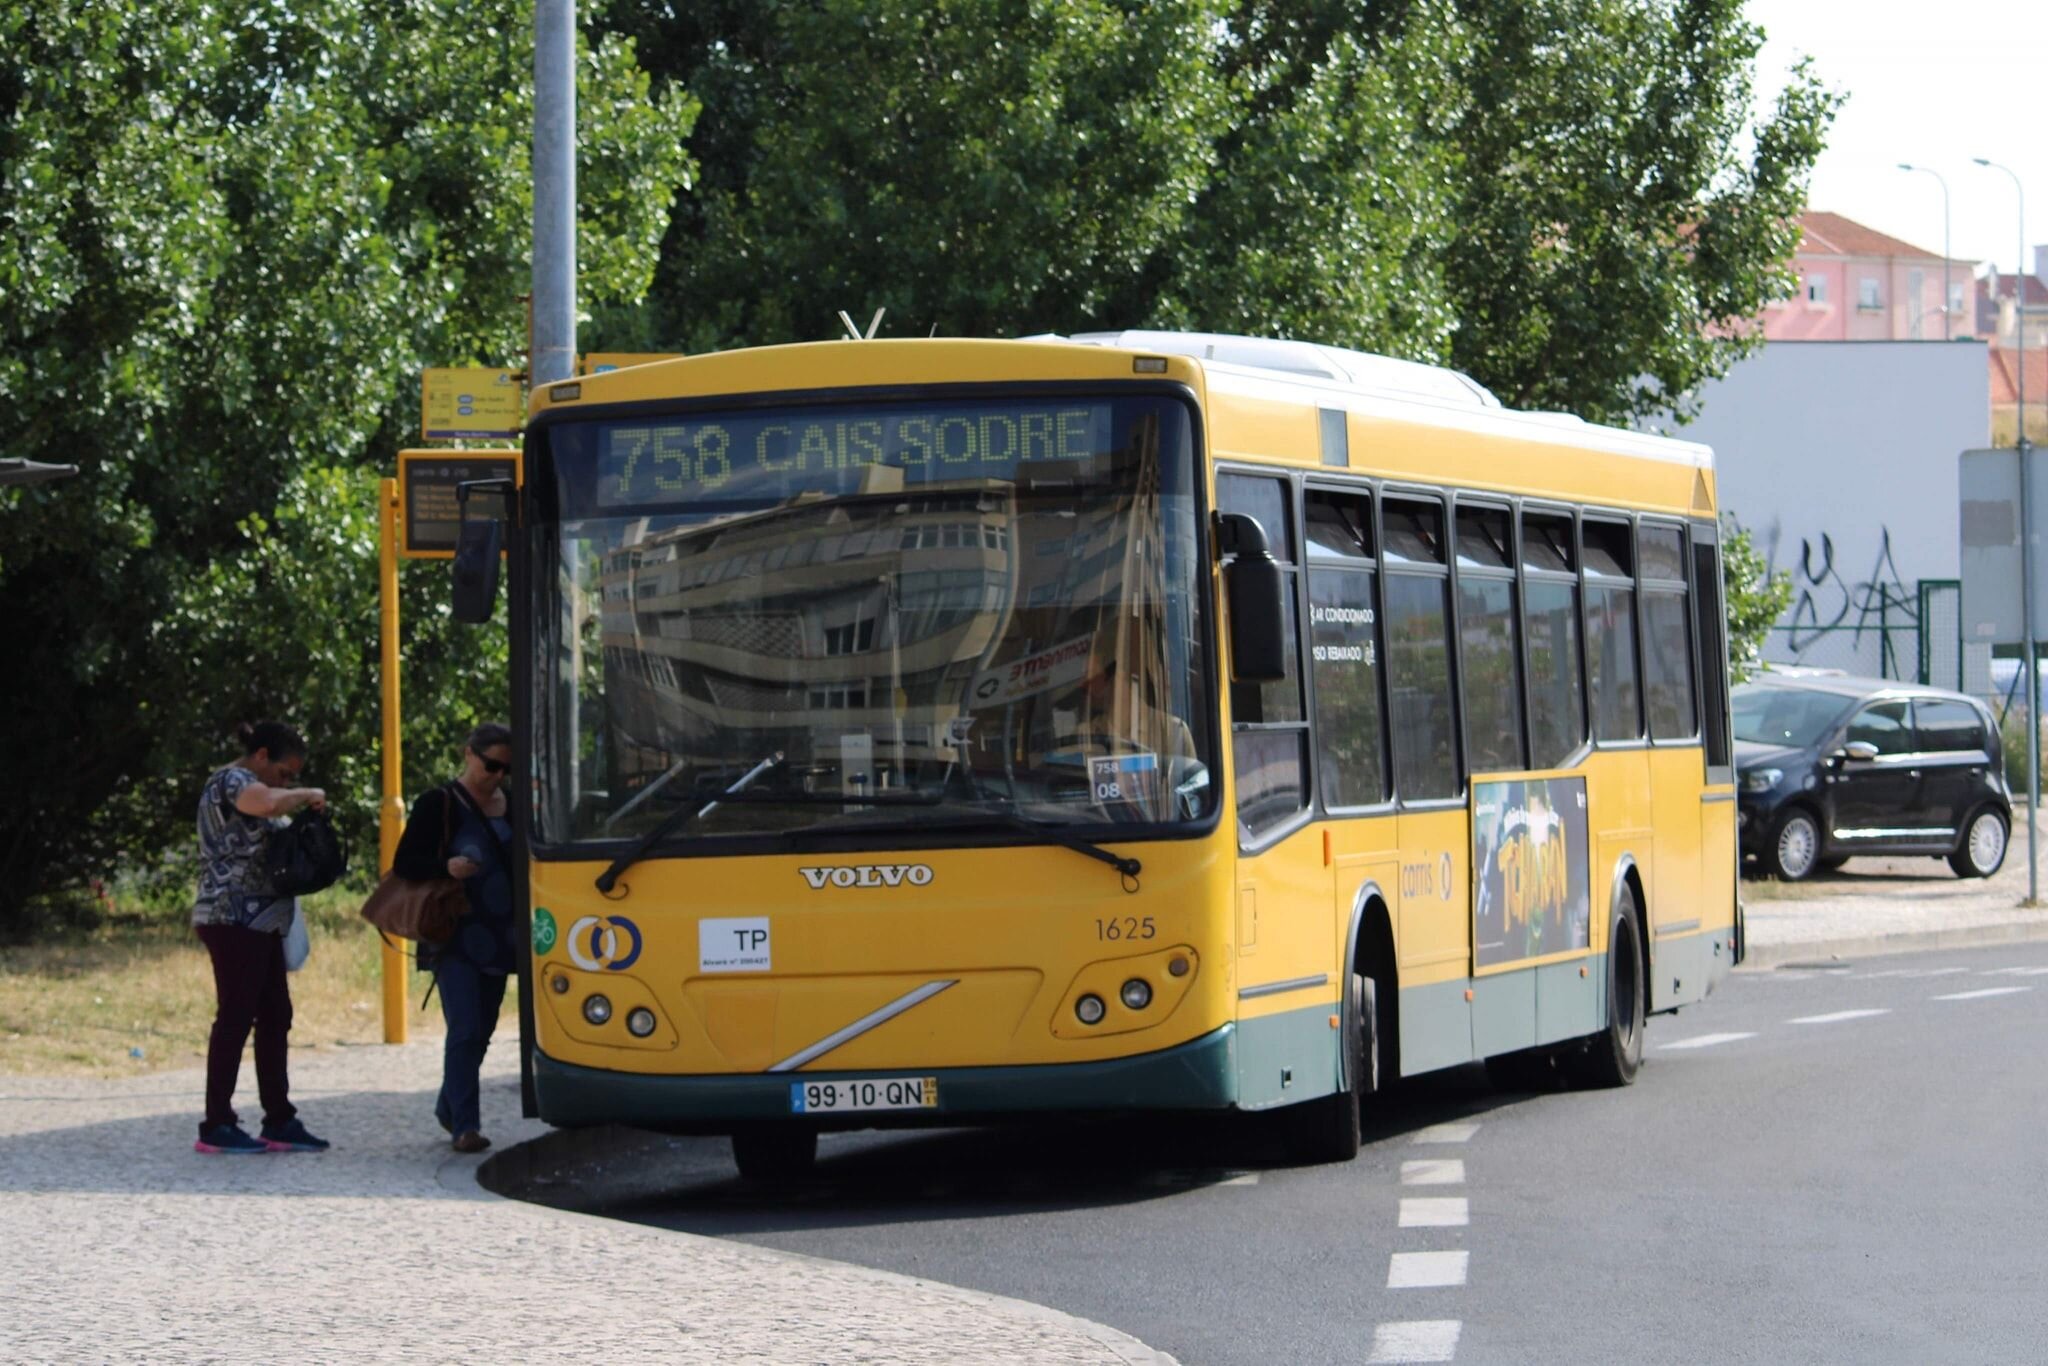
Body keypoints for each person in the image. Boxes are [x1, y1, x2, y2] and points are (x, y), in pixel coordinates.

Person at [192, 720, 330, 1155]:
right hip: (231, 917)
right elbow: (265, 803)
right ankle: (217, 1123)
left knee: (275, 1015)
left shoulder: (261, 787)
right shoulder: (232, 780)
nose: (286, 782)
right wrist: (304, 795)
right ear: (261, 756)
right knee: (235, 1016)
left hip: (262, 920)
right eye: (285, 772)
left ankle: (279, 1119)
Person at [393, 723, 517, 1154]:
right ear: (469, 754)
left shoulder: (514, 805)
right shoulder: (438, 803)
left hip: (503, 936)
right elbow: (405, 863)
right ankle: (465, 1126)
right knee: (464, 1028)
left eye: (506, 768)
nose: (498, 775)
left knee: (482, 1030)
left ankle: (450, 1104)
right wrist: (445, 867)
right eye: (492, 765)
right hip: (454, 933)